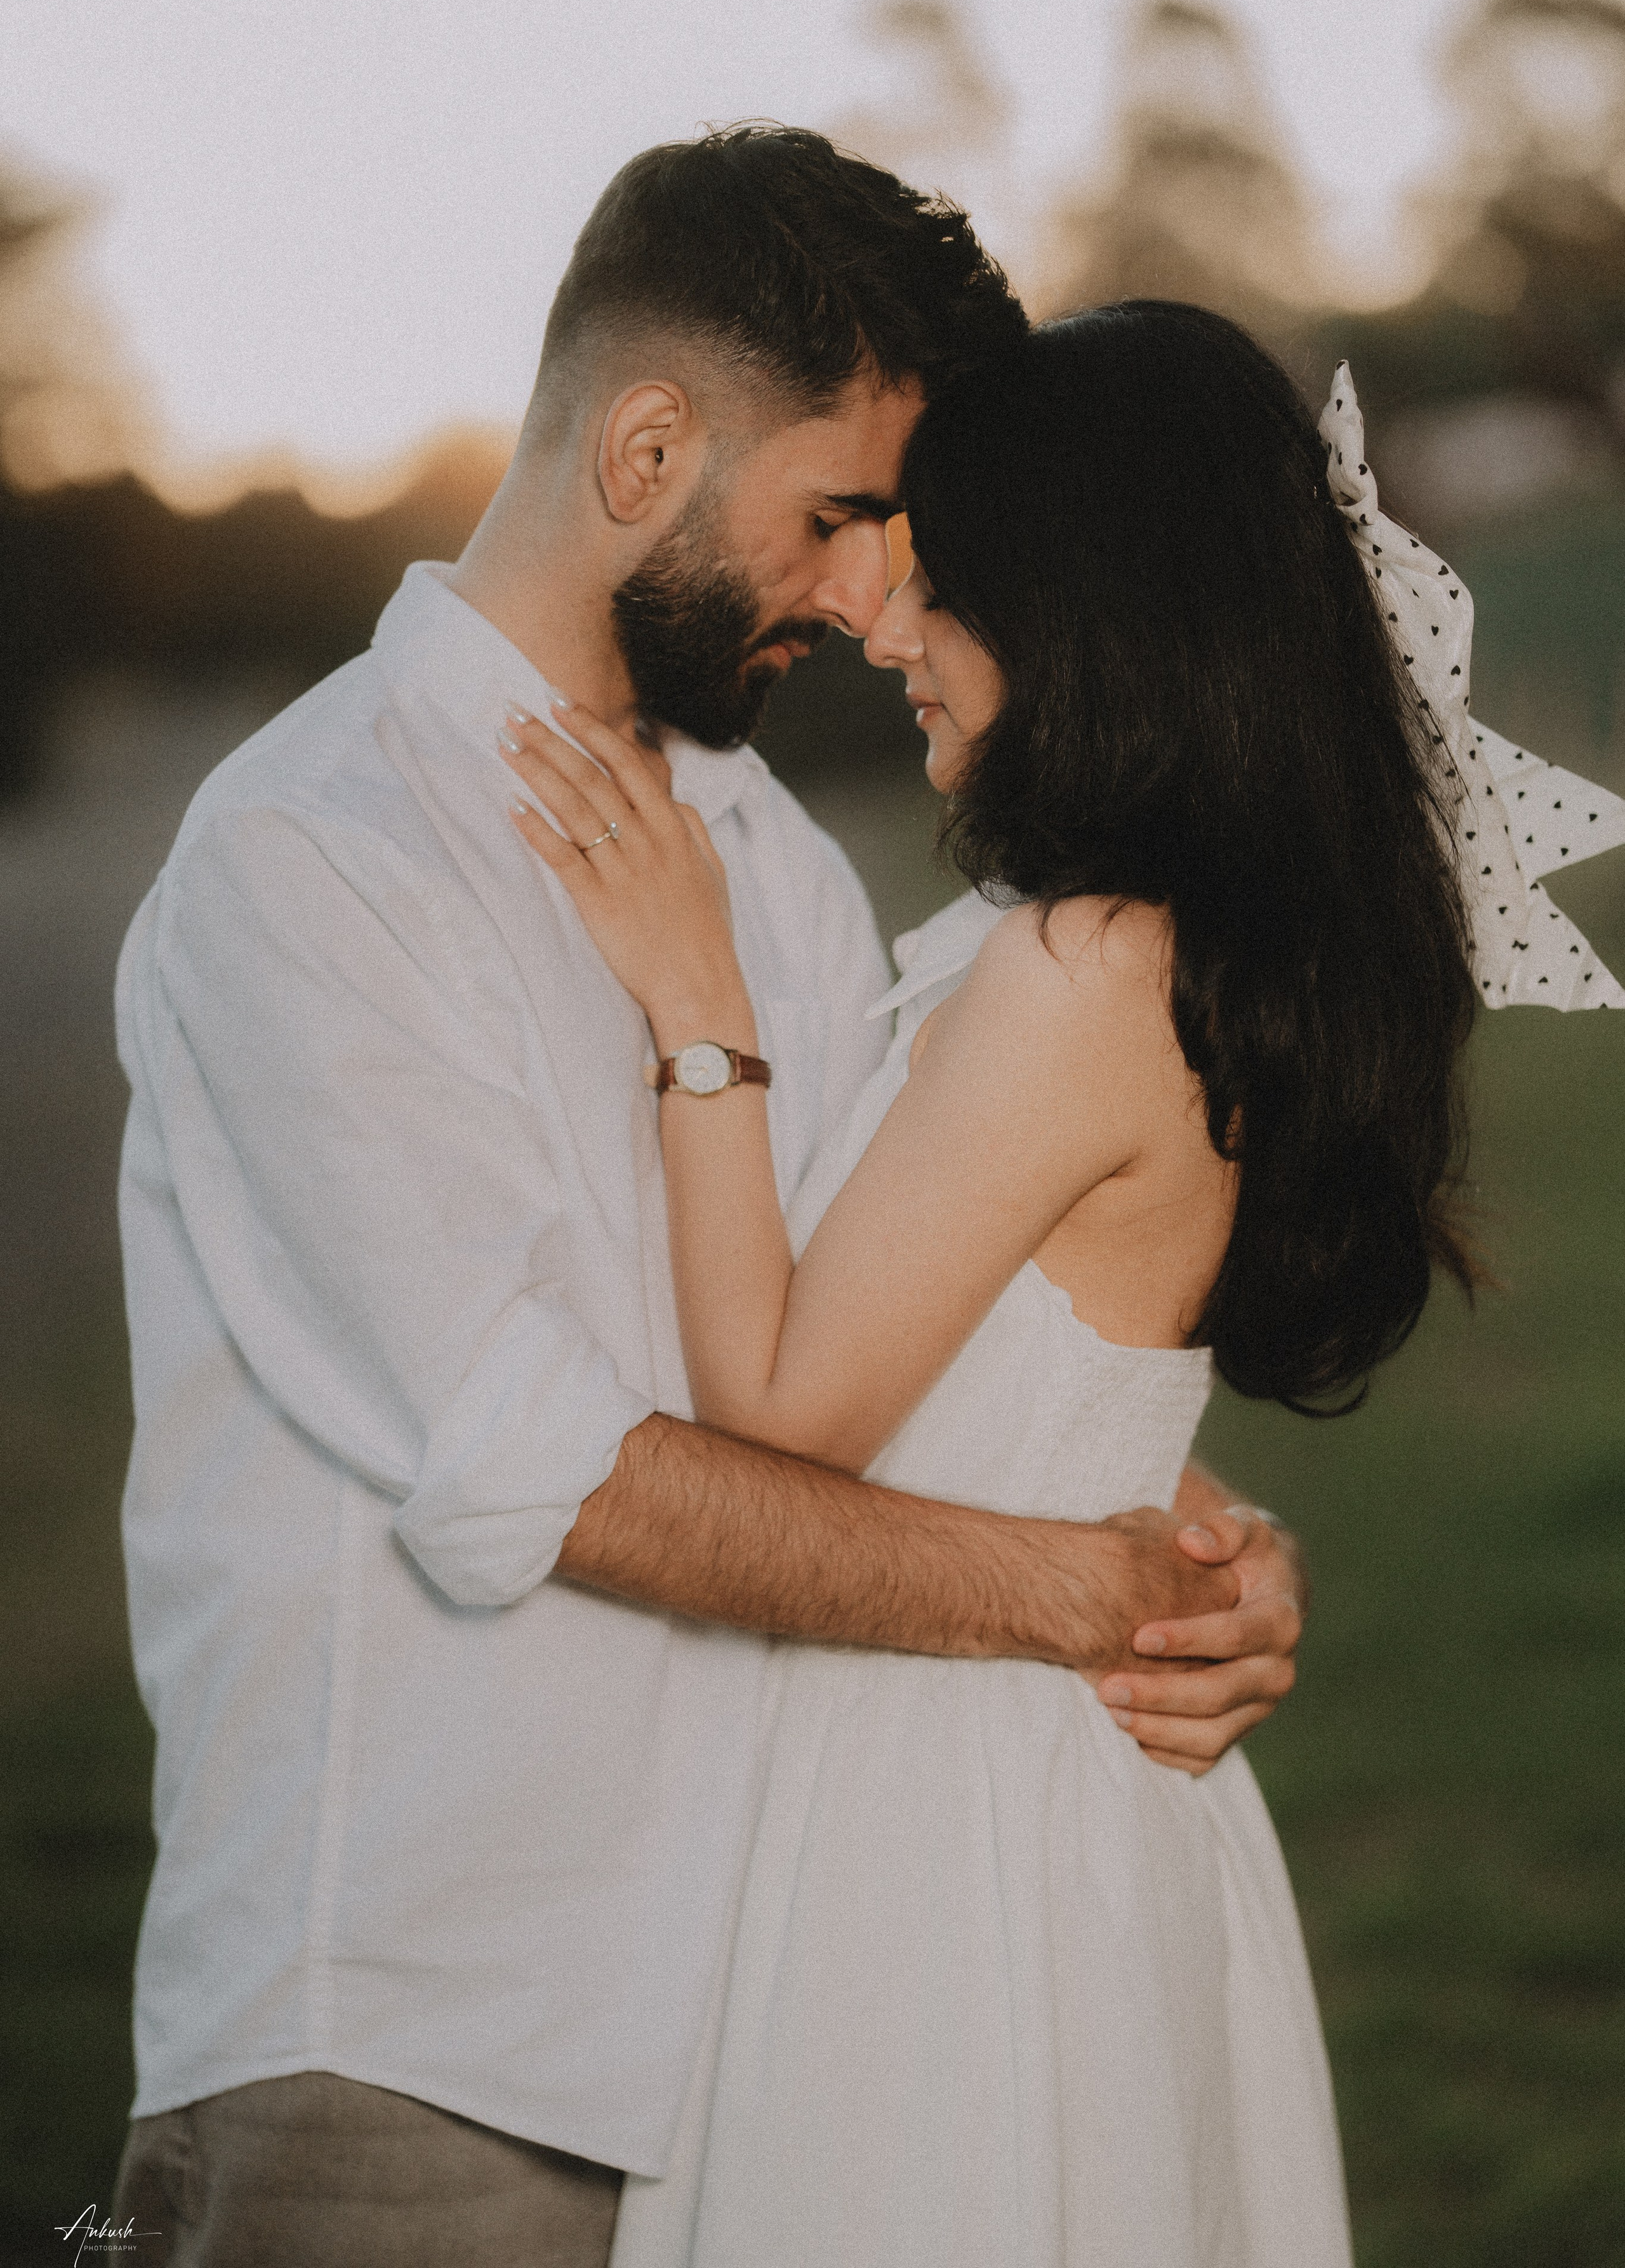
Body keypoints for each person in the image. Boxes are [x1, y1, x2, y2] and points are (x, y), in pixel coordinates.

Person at [110, 137, 1307, 2268]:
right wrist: (1075, 1591)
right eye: (840, 515)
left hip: (777, 2023)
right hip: (429, 2038)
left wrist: (1198, 1543)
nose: (870, 600)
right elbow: (548, 1484)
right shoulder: (309, 859)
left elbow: (905, 1322)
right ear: (650, 443)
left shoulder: (767, 862)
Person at [498, 300, 1494, 2267]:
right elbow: (1055, 1387)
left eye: (939, 582)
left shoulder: (1080, 972)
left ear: (1088, 618)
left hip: (948, 1817)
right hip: (1040, 1776)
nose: (882, 630)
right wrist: (1218, 1533)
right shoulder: (1139, 950)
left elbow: (783, 1414)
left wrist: (701, 1012)